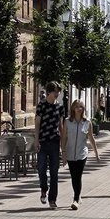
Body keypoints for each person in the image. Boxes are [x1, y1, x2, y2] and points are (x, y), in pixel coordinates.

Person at [61, 99, 100, 210]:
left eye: (81, 107)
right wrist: (63, 152)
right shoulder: (67, 121)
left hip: (82, 153)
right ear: (73, 108)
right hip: (70, 153)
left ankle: (76, 199)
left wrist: (96, 153)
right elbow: (64, 138)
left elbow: (91, 139)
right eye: (77, 106)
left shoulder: (87, 122)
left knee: (78, 176)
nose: (79, 109)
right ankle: (78, 195)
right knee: (74, 177)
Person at [34, 80, 64, 209]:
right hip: (43, 141)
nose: (57, 94)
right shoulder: (41, 105)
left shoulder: (60, 107)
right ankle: (44, 189)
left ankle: (52, 199)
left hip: (54, 142)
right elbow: (37, 123)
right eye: (55, 91)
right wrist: (36, 139)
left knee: (54, 172)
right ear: (49, 92)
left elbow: (61, 126)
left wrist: (63, 144)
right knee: (41, 168)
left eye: (58, 92)